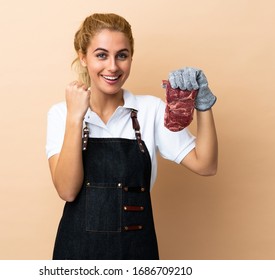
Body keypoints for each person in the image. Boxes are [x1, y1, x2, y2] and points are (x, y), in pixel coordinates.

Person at [46, 13, 218, 260]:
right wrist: (75, 117)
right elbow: (67, 191)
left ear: (130, 58)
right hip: (76, 257)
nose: (113, 66)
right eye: (101, 55)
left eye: (122, 55)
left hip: (136, 255)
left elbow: (206, 164)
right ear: (83, 57)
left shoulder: (151, 110)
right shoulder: (61, 113)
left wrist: (203, 104)